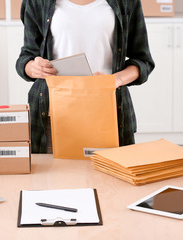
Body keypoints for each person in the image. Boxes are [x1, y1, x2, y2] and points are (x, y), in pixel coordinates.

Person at [16, 0, 155, 153]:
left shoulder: (127, 2)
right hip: (52, 112)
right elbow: (26, 57)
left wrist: (116, 80)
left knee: (109, 176)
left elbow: (143, 60)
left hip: (108, 110)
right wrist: (33, 67)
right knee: (54, 175)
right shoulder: (37, 2)